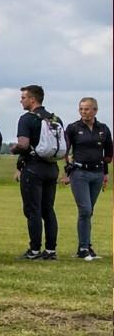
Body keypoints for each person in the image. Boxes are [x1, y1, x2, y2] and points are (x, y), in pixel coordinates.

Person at [9, 85, 61, 260]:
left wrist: (14, 149)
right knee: (49, 210)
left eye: (23, 97)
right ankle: (51, 250)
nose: (21, 100)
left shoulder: (27, 119)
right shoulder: (55, 118)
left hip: (33, 168)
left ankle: (34, 250)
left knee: (33, 210)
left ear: (32, 99)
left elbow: (23, 144)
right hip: (52, 168)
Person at [61, 97, 111, 261]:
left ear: (95, 110)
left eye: (87, 109)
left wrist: (105, 173)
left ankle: (86, 245)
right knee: (85, 210)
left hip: (97, 173)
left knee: (89, 212)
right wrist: (67, 171)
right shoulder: (73, 128)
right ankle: (83, 248)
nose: (84, 112)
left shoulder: (103, 129)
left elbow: (108, 154)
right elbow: (65, 150)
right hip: (79, 173)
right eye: (81, 109)